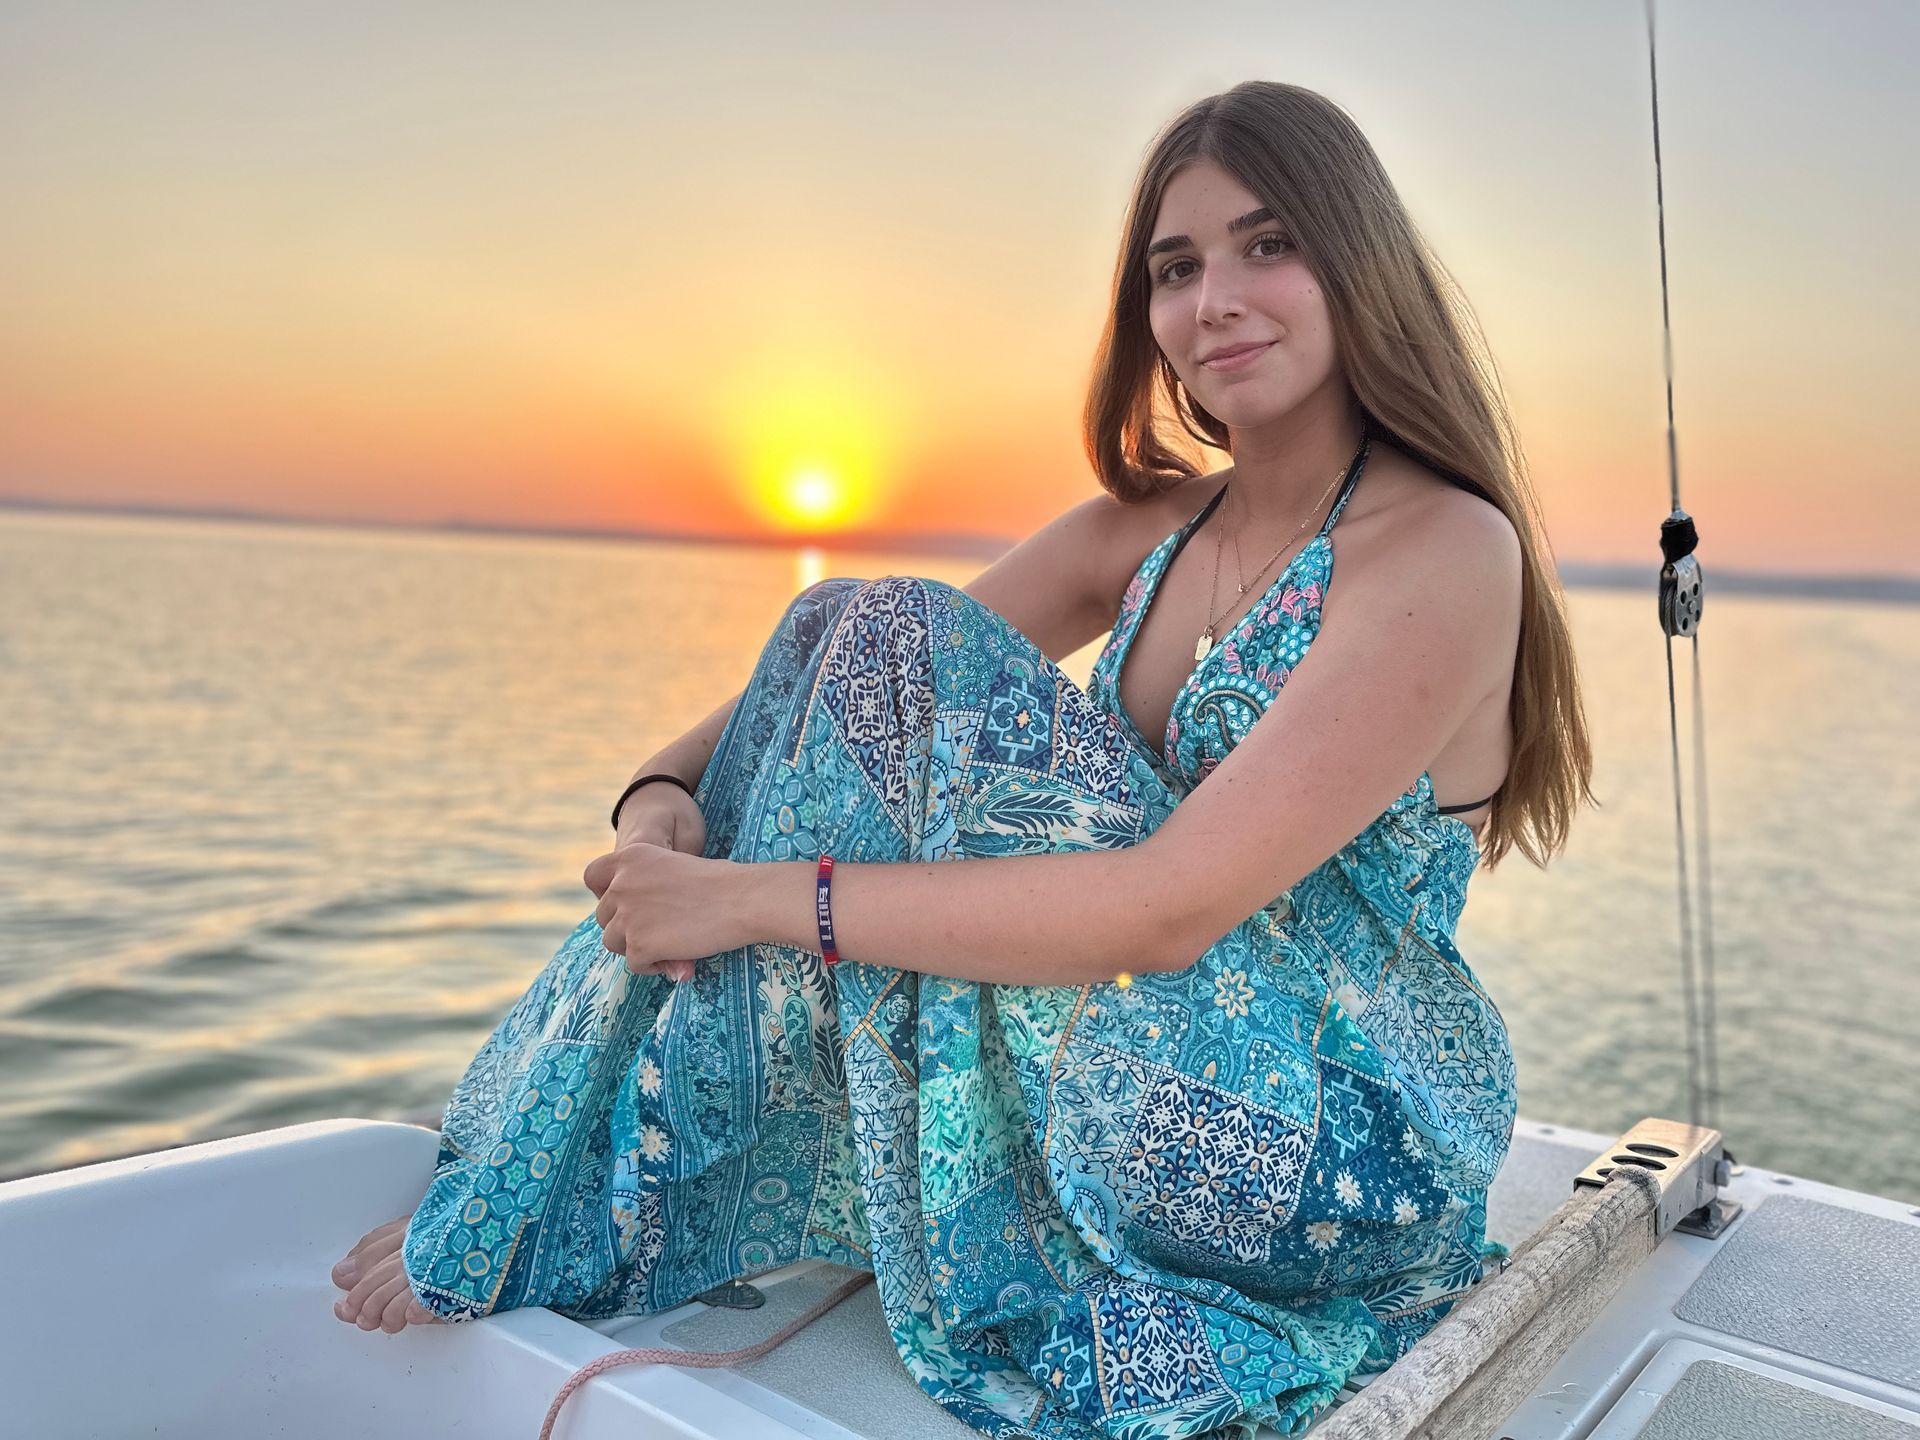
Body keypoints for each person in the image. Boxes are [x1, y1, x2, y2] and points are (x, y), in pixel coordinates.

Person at [330, 78, 1593, 1439]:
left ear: (1360, 265)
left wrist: (756, 901)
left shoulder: (1443, 549)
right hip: (1137, 1078)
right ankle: (572, 1167)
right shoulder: (1152, 533)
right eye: (1178, 268)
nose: (1215, 297)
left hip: (1337, 1142)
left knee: (886, 653)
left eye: (1268, 245)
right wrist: (656, 809)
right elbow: (813, 681)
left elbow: (1167, 910)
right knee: (854, 624)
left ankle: (559, 1196)